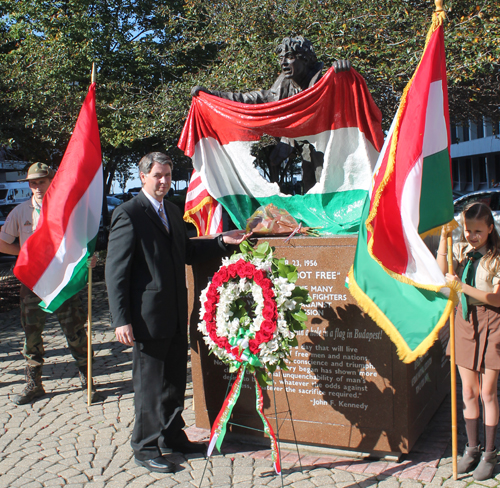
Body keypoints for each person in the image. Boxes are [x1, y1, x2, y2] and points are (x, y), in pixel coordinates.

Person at [105, 152, 249, 474]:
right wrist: (120, 319)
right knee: (150, 386)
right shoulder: (129, 214)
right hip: (145, 319)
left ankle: (172, 436)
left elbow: (188, 251)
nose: (164, 181)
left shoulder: (171, 210)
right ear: (143, 176)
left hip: (173, 313)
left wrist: (223, 241)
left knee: (173, 382)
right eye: (157, 175)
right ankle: (144, 447)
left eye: (168, 175)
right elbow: (116, 272)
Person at [191, 36, 351, 193]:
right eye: (281, 58)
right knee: (311, 187)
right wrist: (213, 95)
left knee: (326, 183)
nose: (283, 63)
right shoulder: (284, 85)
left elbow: (346, 102)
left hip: (330, 144)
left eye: (289, 57)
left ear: (305, 59)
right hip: (307, 146)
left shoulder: (326, 81)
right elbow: (253, 98)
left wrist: (344, 74)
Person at [0, 162, 99, 405]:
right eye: (32, 183)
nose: (36, 187)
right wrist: (24, 254)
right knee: (31, 336)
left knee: (75, 331)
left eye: (41, 182)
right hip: (32, 283)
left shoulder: (67, 211)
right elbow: (2, 243)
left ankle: (88, 380)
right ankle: (34, 385)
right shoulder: (21, 212)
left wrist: (89, 258)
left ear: (51, 182)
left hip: (61, 281)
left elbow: (82, 241)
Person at [437, 202, 500, 480]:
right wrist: (442, 238)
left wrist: (461, 286)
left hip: (492, 322)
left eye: (477, 230)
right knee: (468, 392)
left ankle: (489, 455)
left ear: (489, 228)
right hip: (463, 321)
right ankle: (471, 450)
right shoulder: (461, 252)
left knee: (488, 393)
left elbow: (497, 298)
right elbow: (441, 273)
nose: (472, 235)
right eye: (467, 229)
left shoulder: (496, 258)